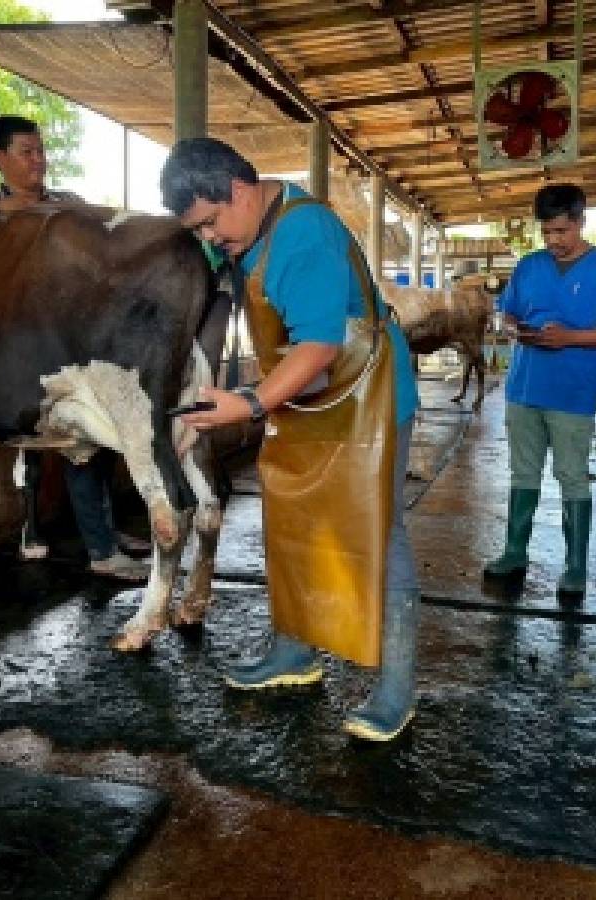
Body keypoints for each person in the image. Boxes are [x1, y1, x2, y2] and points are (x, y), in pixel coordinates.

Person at [160, 138, 421, 741]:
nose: (209, 240)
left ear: (242, 191)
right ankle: (294, 653)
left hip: (366, 400)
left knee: (378, 534)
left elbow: (319, 343)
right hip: (305, 397)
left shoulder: (301, 234)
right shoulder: (249, 235)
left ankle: (397, 689)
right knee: (293, 521)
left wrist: (248, 402)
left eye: (209, 223)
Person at [0, 115, 148, 580]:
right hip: (16, 353)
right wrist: (4, 215)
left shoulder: (67, 203)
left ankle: (105, 538)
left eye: (41, 150)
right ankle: (101, 547)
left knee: (93, 445)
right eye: (27, 152)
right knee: (76, 442)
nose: (39, 161)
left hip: (74, 340)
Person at [483, 184, 596, 599]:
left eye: (563, 231)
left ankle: (575, 565)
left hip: (572, 392)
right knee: (523, 472)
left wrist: (569, 337)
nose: (554, 242)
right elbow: (505, 313)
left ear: (581, 222)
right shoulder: (529, 266)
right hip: (525, 387)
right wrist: (514, 328)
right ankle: (514, 552)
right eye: (547, 232)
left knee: (572, 476)